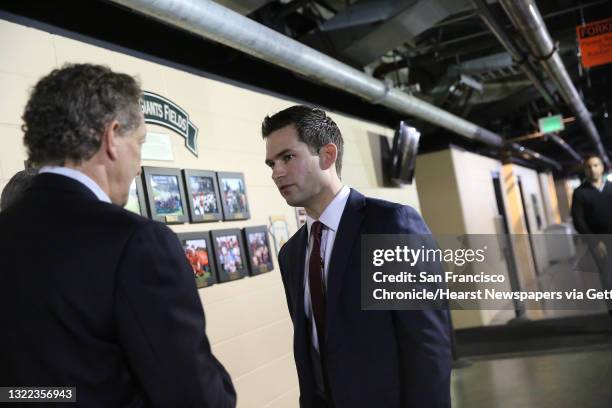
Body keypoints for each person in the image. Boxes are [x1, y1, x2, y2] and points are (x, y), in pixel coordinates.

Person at [0, 63, 236, 407]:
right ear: (111, 137)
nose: (139, 165)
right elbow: (194, 397)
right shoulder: (135, 242)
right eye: (139, 142)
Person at [262, 105, 451, 408]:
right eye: (271, 163)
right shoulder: (291, 254)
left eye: (287, 157)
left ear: (327, 155)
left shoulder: (389, 225)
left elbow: (428, 345)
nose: (276, 173)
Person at [571, 153, 612, 317]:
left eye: (596, 165)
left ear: (602, 167)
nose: (593, 169)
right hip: (599, 243)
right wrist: (595, 242)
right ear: (585, 170)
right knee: (608, 278)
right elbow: (579, 221)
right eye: (588, 167)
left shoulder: (610, 187)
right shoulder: (580, 193)